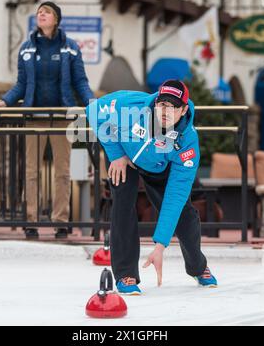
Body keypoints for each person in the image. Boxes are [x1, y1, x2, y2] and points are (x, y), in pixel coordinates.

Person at [86, 80, 217, 295]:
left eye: (172, 107)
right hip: (124, 158)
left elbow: (174, 198)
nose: (165, 111)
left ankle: (197, 267)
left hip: (159, 168)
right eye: (162, 104)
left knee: (184, 214)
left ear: (184, 110)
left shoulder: (187, 142)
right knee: (123, 207)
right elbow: (93, 111)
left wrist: (160, 246)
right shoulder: (131, 106)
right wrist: (116, 154)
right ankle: (125, 274)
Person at [0, 1, 94, 239]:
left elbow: (80, 81)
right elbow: (22, 84)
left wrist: (92, 102)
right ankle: (31, 221)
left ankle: (60, 222)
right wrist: (5, 101)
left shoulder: (70, 47)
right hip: (33, 117)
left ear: (56, 19)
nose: (41, 14)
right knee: (32, 171)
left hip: (61, 117)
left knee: (62, 171)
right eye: (39, 12)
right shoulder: (27, 48)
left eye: (46, 12)